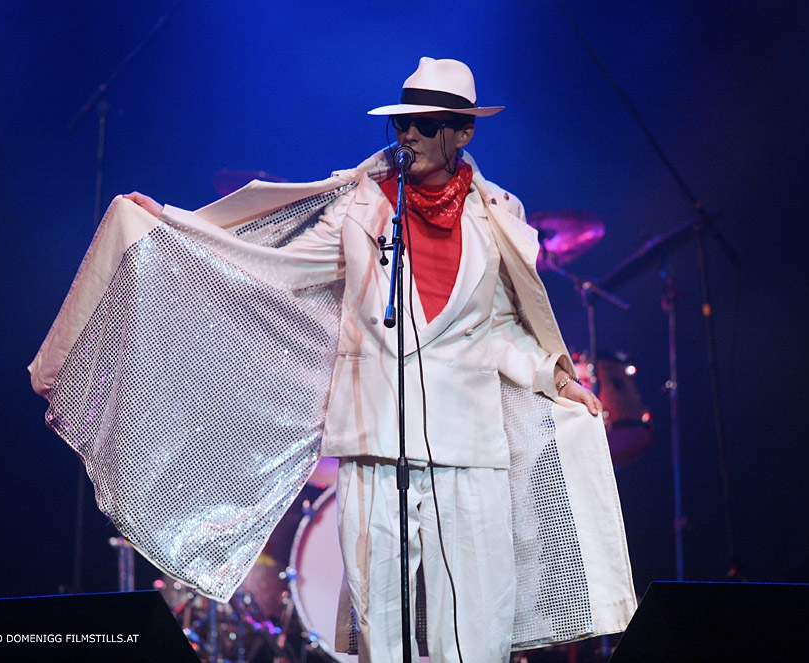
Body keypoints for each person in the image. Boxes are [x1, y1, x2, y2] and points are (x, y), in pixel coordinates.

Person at [37, 57, 634, 663]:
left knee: (477, 632)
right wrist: (171, 227)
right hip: (376, 442)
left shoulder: (497, 215)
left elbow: (501, 327)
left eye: (426, 124)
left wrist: (554, 376)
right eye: (401, 123)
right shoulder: (363, 206)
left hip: (471, 445)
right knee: (382, 629)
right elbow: (275, 267)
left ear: (463, 132)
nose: (409, 134)